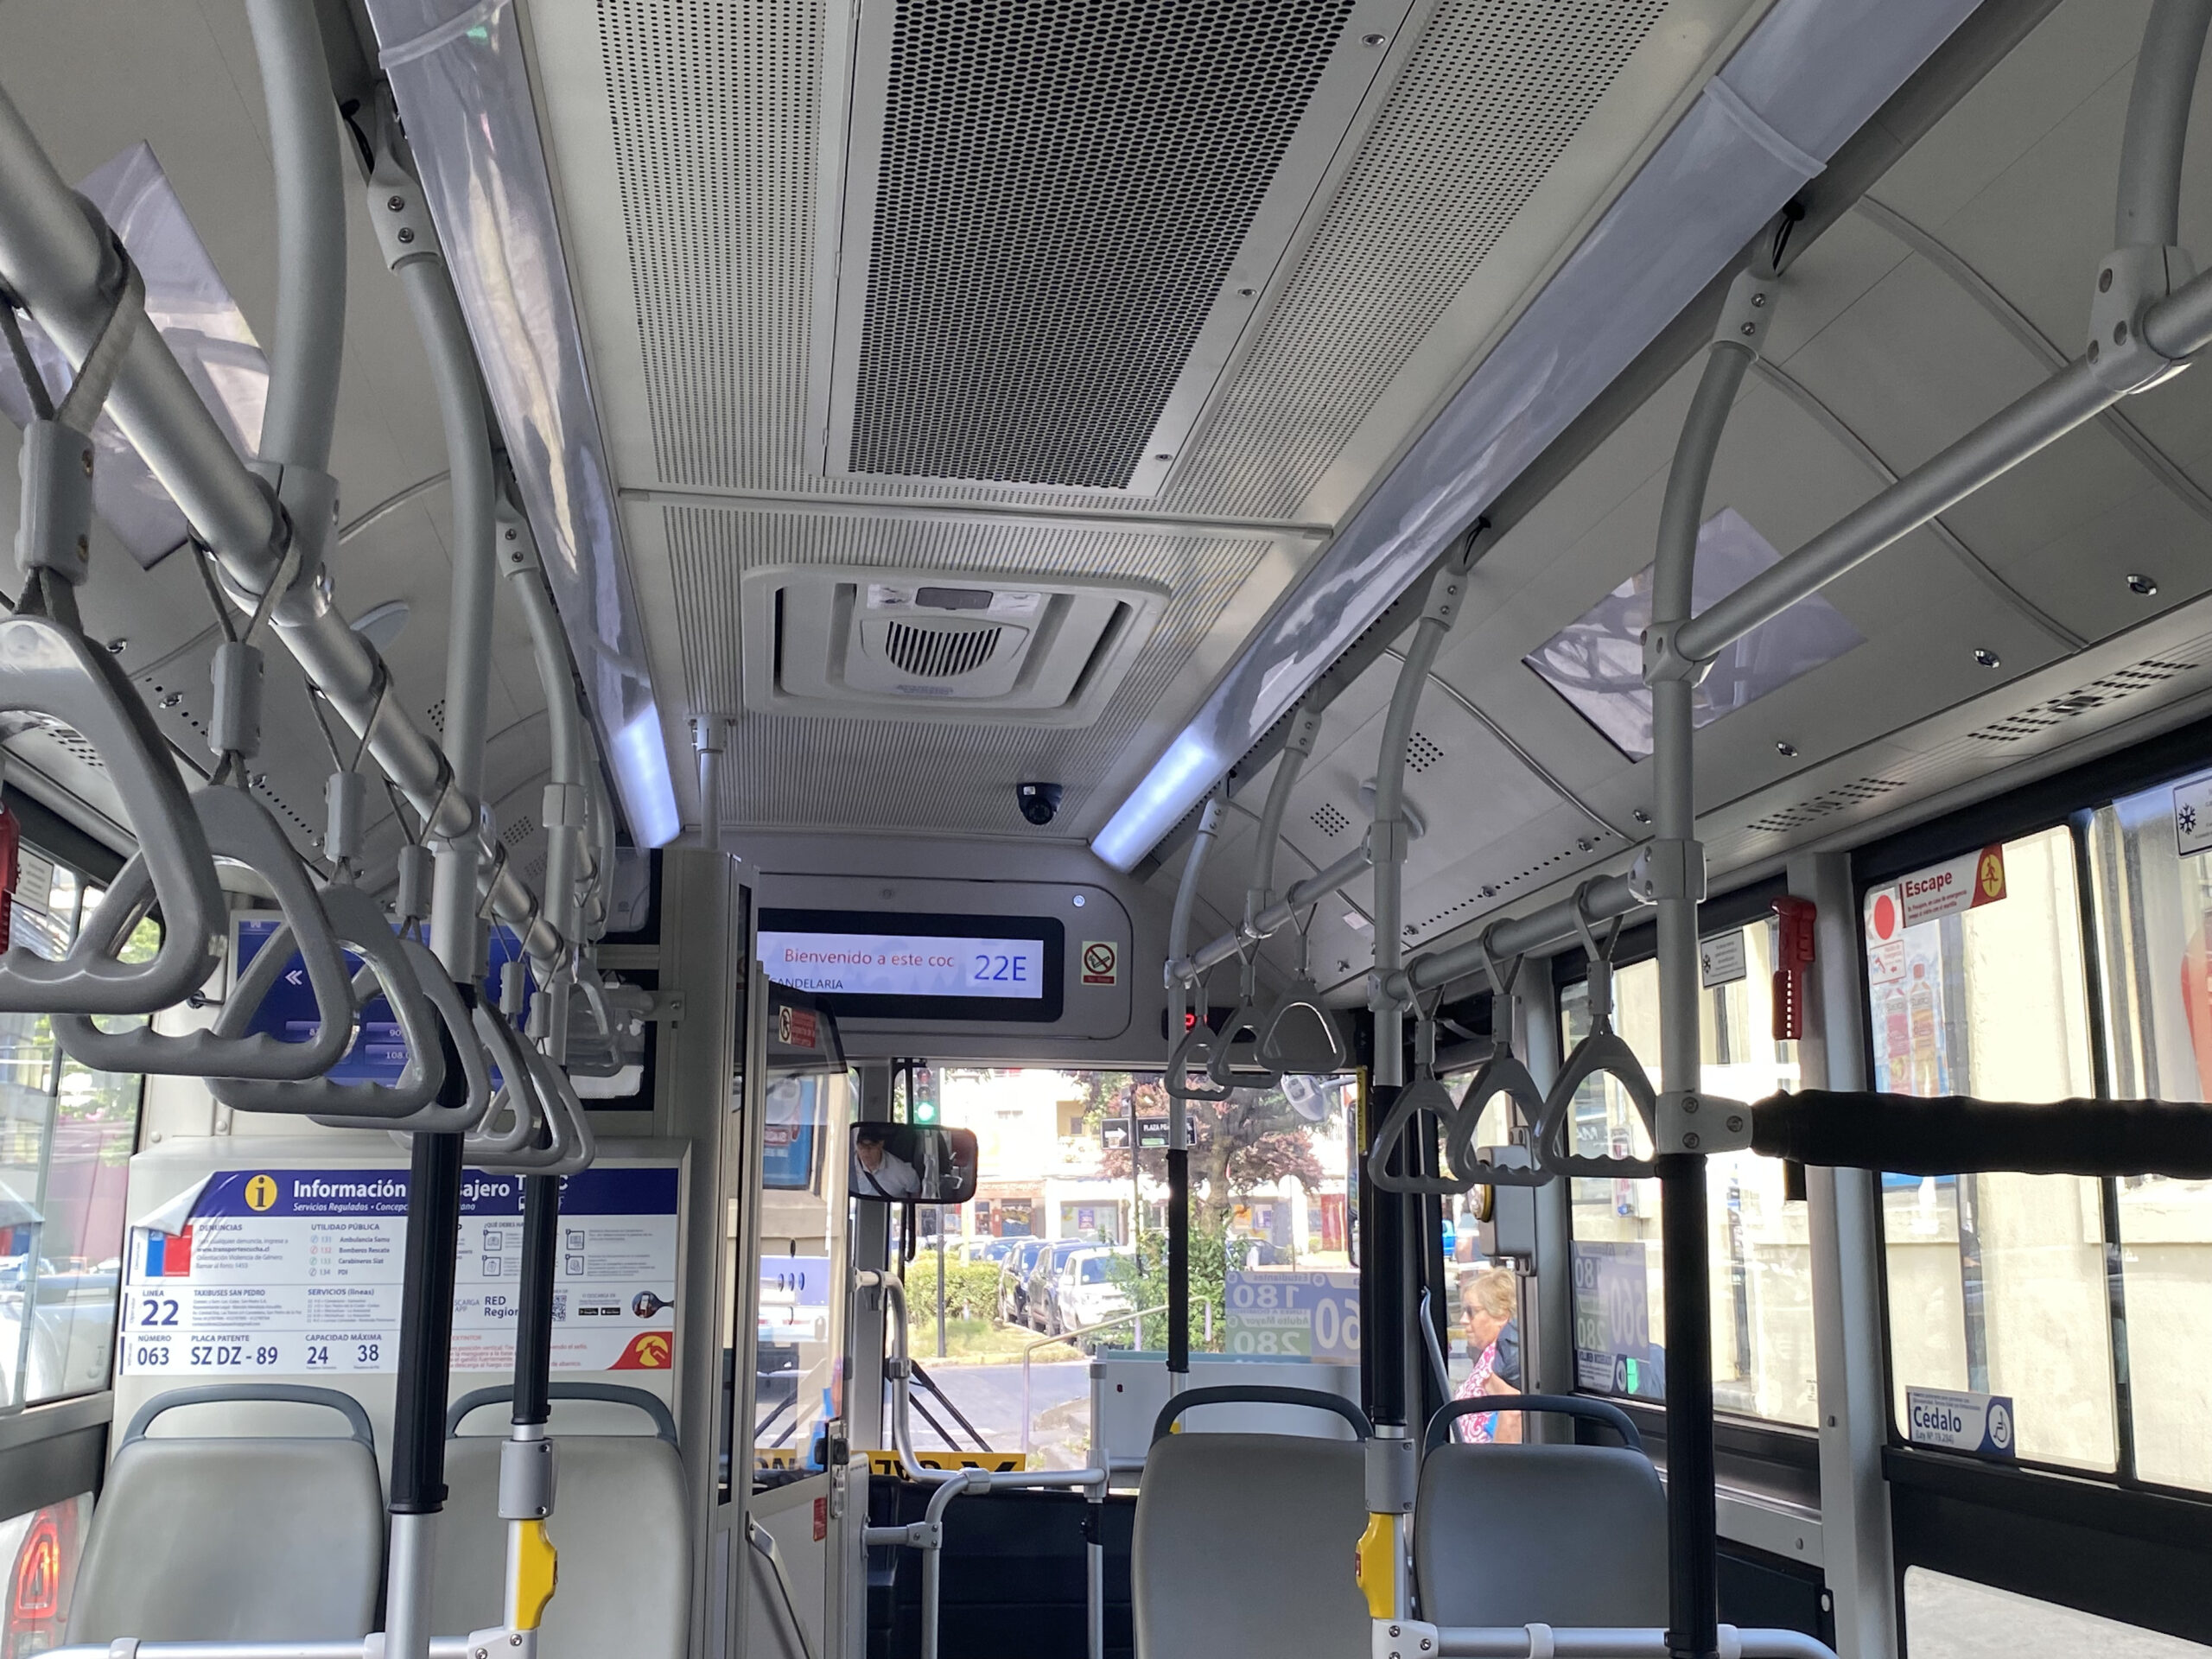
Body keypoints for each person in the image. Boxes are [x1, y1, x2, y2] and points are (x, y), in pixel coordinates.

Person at [1452, 1268, 1522, 1444]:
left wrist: (1496, 1469)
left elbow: (1513, 1413)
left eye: (1471, 1311)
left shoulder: (1500, 1361)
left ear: (1502, 1315)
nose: (1463, 1320)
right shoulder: (1491, 1356)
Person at [852, 1127, 921, 1198]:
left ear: (880, 1144)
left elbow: (916, 1193)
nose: (865, 1151)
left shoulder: (903, 1172)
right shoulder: (848, 1165)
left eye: (871, 1146)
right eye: (861, 1146)